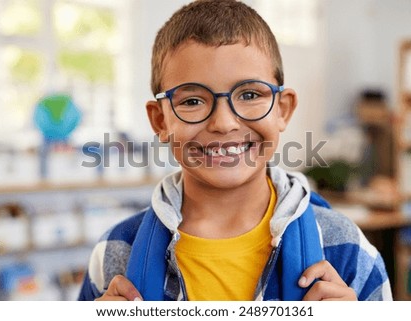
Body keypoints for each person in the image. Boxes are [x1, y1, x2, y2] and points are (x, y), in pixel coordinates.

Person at [78, 0, 392, 301]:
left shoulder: (346, 250)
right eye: (191, 101)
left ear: (282, 109)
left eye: (250, 94)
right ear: (160, 120)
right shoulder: (116, 254)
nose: (224, 123)